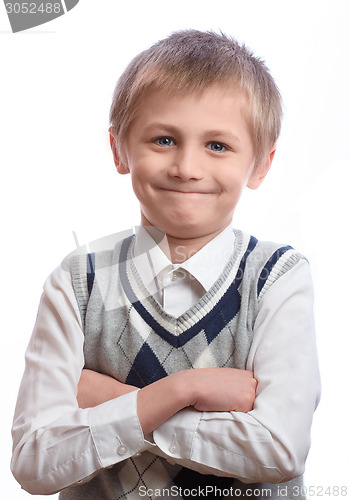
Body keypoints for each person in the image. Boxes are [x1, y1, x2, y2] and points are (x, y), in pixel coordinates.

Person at [11, 30, 320, 499]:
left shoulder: (276, 277)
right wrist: (184, 390)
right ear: (119, 150)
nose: (187, 167)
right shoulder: (77, 283)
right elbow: (34, 462)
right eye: (163, 139)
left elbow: (278, 450)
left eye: (218, 145)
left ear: (260, 164)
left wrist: (115, 405)